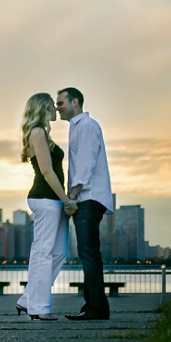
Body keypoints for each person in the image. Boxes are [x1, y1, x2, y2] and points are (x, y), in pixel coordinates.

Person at [16, 93, 74, 321]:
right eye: (52, 104)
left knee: (59, 252)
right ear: (42, 107)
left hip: (55, 200)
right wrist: (67, 200)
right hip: (46, 199)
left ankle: (26, 299)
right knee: (43, 253)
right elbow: (48, 172)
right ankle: (39, 308)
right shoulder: (37, 133)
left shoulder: (42, 134)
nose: (55, 108)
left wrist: (64, 200)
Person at [56, 87, 113, 321]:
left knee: (89, 253)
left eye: (60, 103)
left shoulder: (87, 126)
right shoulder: (78, 127)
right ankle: (94, 306)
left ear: (75, 102)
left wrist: (72, 196)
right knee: (88, 253)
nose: (57, 108)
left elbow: (86, 164)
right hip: (86, 198)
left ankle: (96, 309)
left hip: (88, 198)